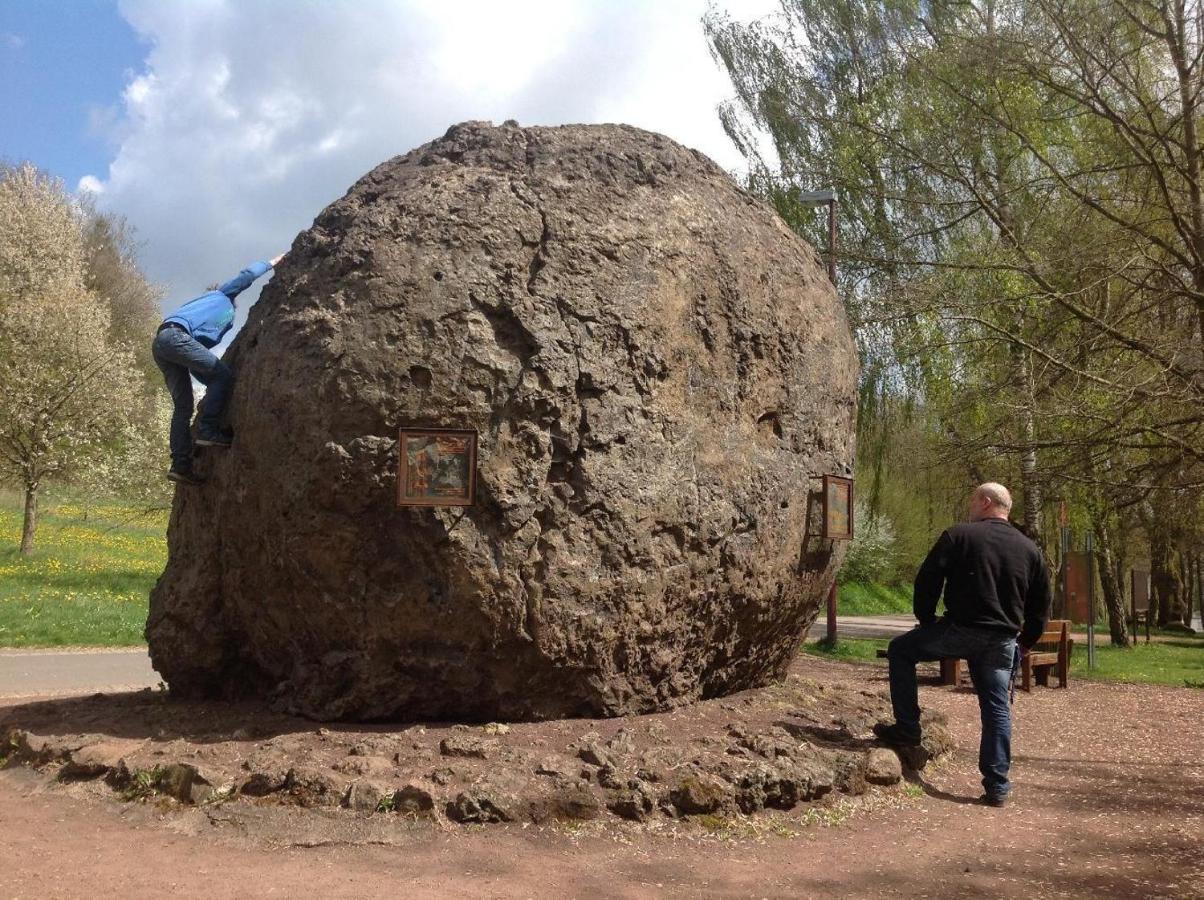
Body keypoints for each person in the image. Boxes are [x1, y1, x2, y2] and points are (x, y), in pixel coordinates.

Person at [874, 482, 1051, 808]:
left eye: (973, 500)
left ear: (985, 502)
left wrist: (926, 620)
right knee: (997, 708)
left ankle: (909, 729)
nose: (970, 506)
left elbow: (928, 579)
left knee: (901, 651)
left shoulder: (959, 535)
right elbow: (1041, 606)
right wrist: (1025, 643)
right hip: (1002, 639)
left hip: (959, 630)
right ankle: (997, 786)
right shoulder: (1030, 550)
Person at [152, 255, 284, 485]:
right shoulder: (222, 295)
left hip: (163, 343)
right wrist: (274, 261)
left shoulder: (196, 311)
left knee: (183, 407)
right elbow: (247, 276)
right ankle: (208, 430)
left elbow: (196, 361)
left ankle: (180, 465)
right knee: (223, 376)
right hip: (176, 338)